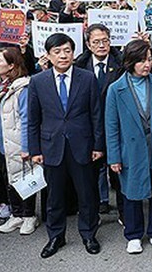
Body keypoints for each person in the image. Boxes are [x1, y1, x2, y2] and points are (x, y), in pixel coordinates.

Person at [28, 33, 104, 258]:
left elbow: (96, 115)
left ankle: (89, 234)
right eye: (57, 52)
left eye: (67, 50)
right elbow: (33, 119)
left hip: (83, 145)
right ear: (48, 55)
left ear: (74, 52)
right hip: (51, 146)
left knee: (87, 194)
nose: (63, 55)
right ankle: (56, 236)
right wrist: (35, 150)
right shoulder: (38, 81)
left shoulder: (87, 78)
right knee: (54, 196)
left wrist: (98, 145)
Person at [106, 39, 152, 254]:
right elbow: (111, 126)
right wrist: (114, 156)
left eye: (149, 59)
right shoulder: (115, 89)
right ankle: (134, 234)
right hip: (131, 148)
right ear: (130, 61)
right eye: (141, 60)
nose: (147, 64)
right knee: (131, 191)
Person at [0, 47, 38, 235]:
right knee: (7, 179)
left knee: (25, 179)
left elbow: (27, 118)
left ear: (11, 66)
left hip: (17, 141)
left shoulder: (22, 87)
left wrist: (27, 147)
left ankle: (29, 216)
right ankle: (16, 214)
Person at [74, 24, 124, 217]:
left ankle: (124, 212)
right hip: (90, 127)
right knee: (92, 173)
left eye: (105, 41)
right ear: (88, 44)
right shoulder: (80, 65)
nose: (101, 45)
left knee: (118, 172)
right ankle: (95, 209)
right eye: (96, 42)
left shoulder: (121, 63)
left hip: (116, 125)